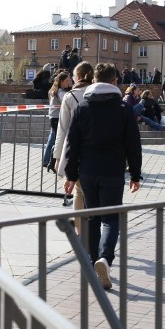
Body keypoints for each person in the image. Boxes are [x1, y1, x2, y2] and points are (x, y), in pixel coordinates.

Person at [63, 62, 142, 290]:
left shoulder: (83, 107)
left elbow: (72, 144)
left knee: (92, 217)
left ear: (94, 80)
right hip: (113, 170)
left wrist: (70, 174)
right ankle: (105, 259)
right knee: (111, 218)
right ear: (115, 81)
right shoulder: (123, 109)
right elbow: (133, 145)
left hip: (87, 171)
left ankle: (91, 262)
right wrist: (135, 174)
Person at [53, 61, 95, 234]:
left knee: (79, 192)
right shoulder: (100, 93)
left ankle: (80, 233)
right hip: (97, 149)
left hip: (75, 149)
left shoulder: (70, 97)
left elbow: (62, 129)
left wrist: (57, 157)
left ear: (77, 77)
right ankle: (95, 232)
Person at [43, 71, 72, 173]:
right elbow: (66, 100)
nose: (69, 83)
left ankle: (51, 162)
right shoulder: (59, 92)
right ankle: (51, 162)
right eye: (67, 81)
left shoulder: (57, 90)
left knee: (56, 140)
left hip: (55, 117)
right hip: (56, 118)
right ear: (61, 81)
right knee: (57, 140)